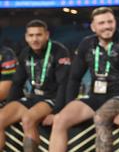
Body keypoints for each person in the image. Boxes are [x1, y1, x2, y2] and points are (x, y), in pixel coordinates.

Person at [49, 7, 119, 152]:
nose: (107, 26)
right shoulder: (86, 43)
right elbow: (74, 78)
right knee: (60, 119)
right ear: (93, 27)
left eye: (110, 22)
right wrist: (67, 105)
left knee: (100, 117)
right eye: (101, 23)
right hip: (95, 96)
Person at [0, 20, 70, 152]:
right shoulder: (25, 53)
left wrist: (57, 112)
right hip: (33, 97)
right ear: (26, 37)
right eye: (31, 35)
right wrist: (10, 105)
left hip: (52, 98)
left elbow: (64, 85)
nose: (35, 39)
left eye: (39, 35)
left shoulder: (59, 51)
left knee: (28, 119)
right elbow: (17, 83)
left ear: (47, 35)